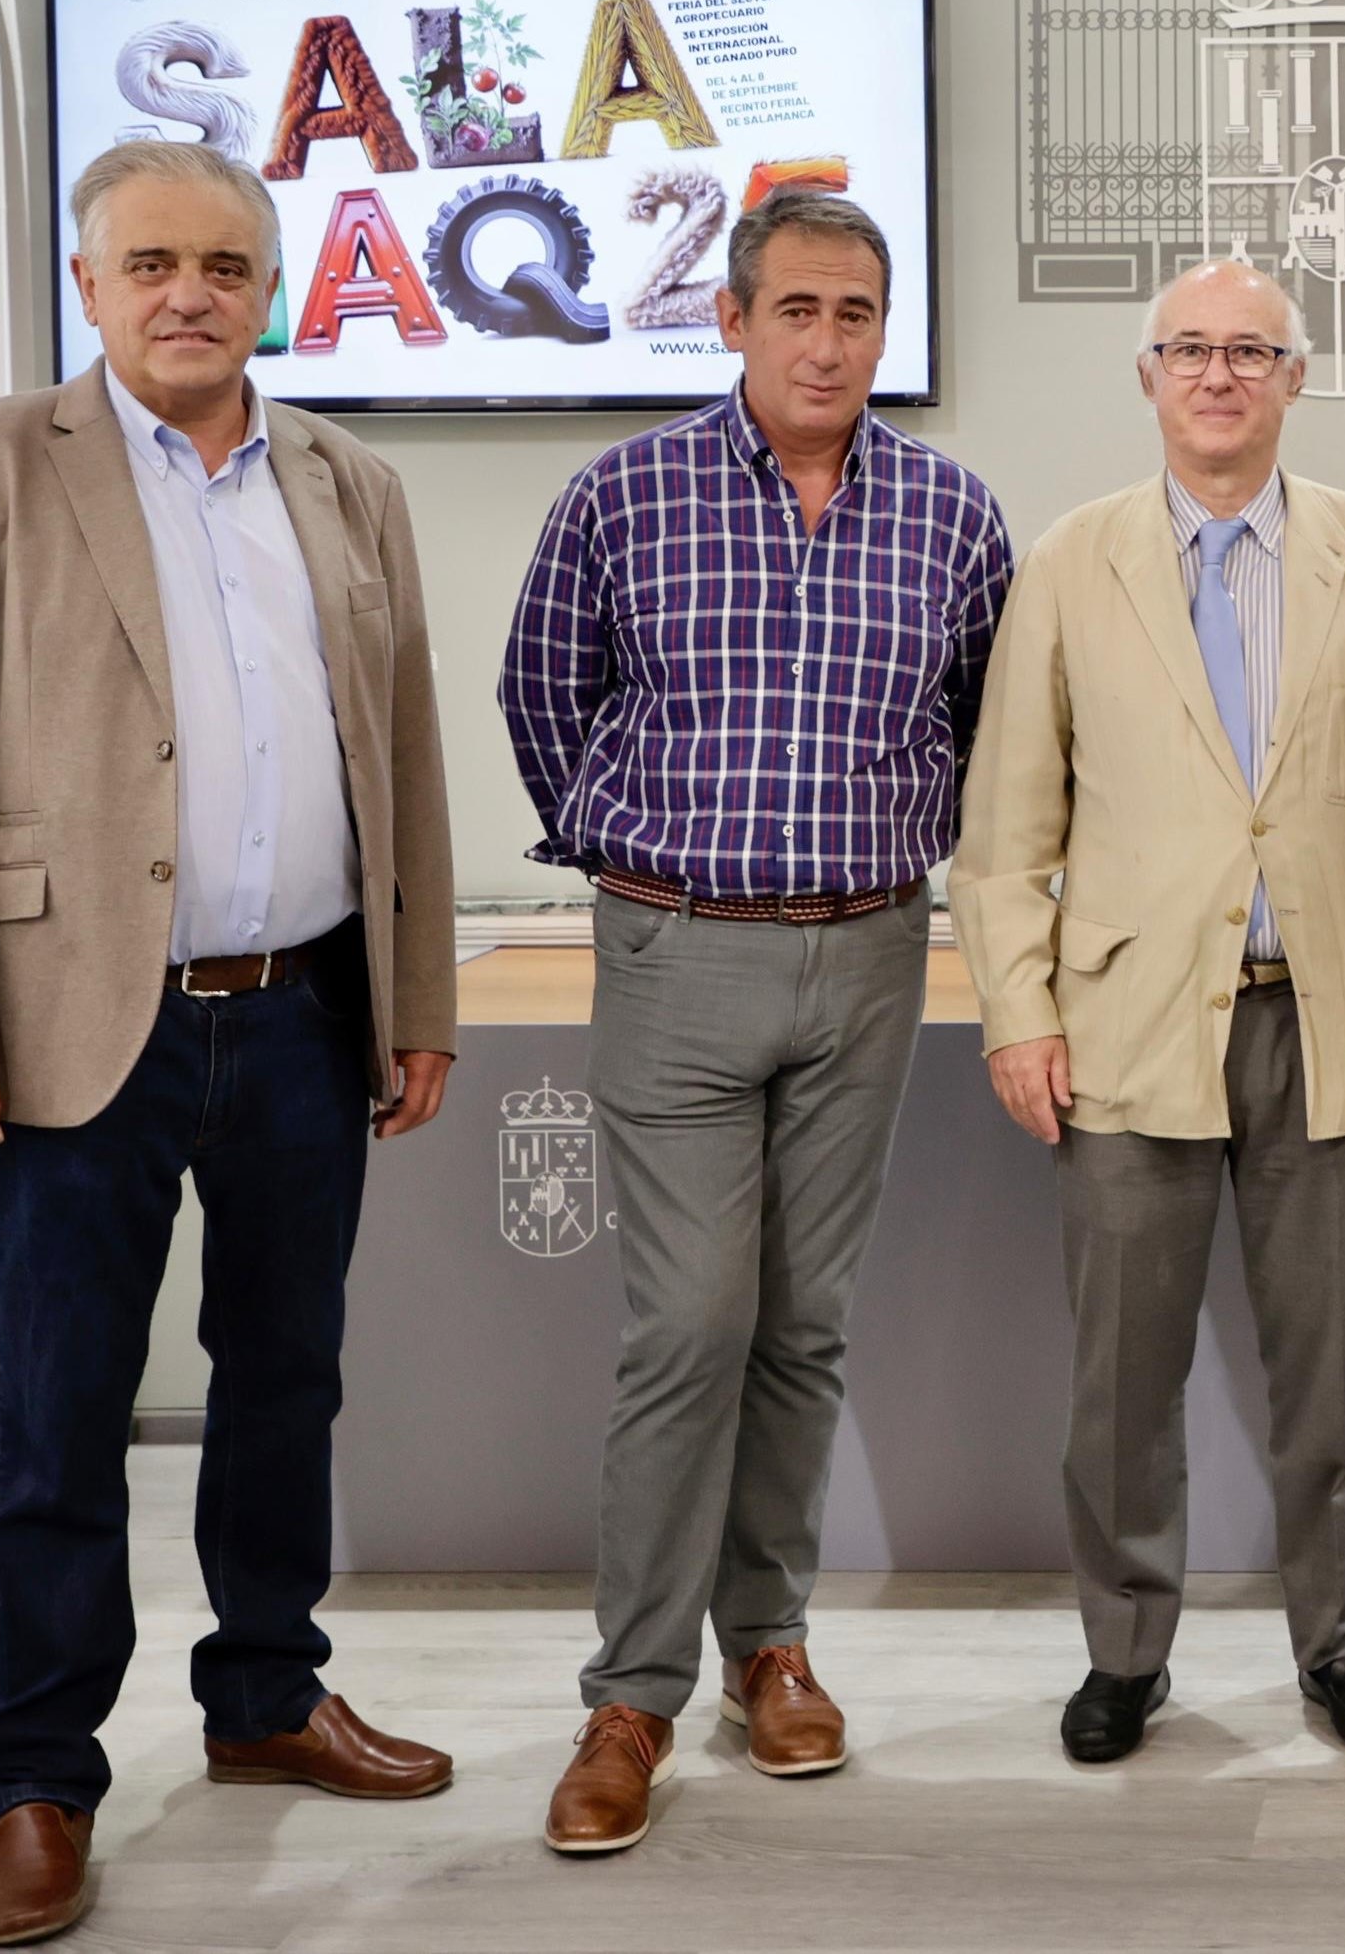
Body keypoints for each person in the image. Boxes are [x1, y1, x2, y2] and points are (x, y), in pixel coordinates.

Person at [0, 138, 460, 1945]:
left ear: (271, 287)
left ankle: (267, 1693)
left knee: (288, 1385)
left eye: (225, 265)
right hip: (63, 1033)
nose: (189, 294)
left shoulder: (348, 482)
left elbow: (401, 759)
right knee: (58, 1415)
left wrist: (413, 1003)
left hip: (302, 1017)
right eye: (151, 266)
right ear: (92, 284)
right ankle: (41, 1774)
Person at [500, 188, 1014, 1853]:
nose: (827, 340)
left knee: (802, 1326)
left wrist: (908, 851)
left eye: (856, 312)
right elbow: (538, 691)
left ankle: (767, 1649)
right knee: (690, 1327)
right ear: (730, 320)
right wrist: (629, 853)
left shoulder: (950, 513)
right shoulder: (623, 495)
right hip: (678, 955)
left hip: (868, 957)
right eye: (795, 308)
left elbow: (986, 719)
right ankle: (630, 1696)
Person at [957, 260, 1345, 1766]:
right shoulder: (1067, 563)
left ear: (1296, 378)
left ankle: (1336, 1646)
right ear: (1147, 379)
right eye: (1189, 351)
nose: (1219, 374)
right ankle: (1124, 1652)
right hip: (1125, 1028)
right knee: (1117, 1379)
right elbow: (1008, 828)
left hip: (1324, 1017)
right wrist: (1018, 1016)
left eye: (1251, 351)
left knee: (1330, 1375)